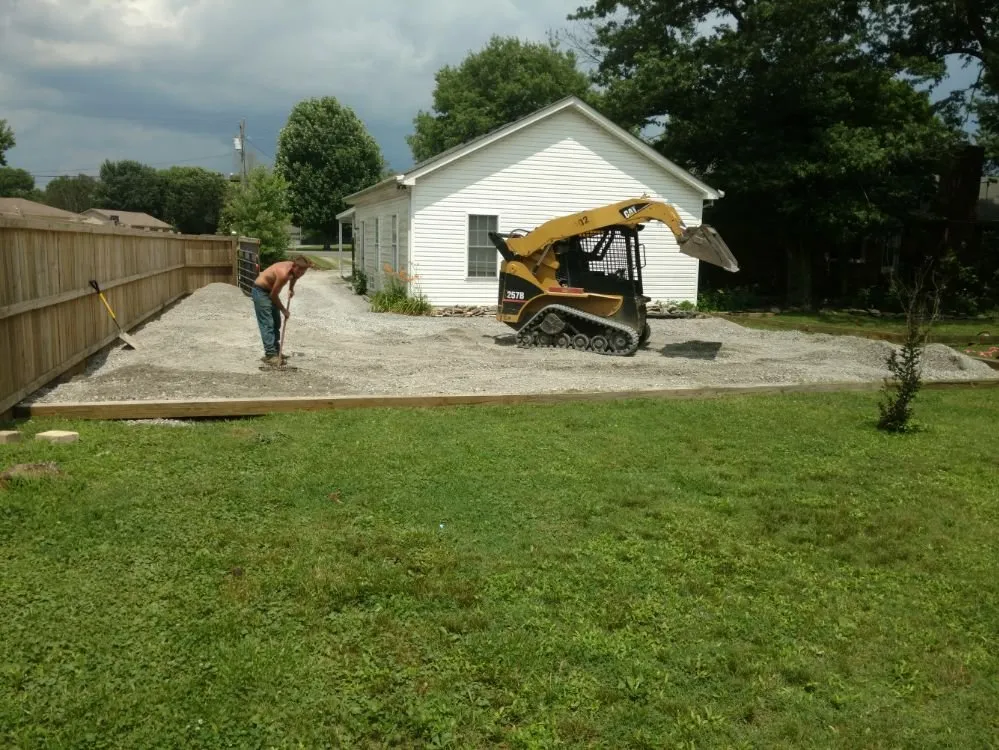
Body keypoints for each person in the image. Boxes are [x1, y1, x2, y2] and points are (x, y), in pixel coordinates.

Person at [251, 256, 312, 366]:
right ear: (294, 266)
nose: (301, 273)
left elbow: (294, 276)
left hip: (270, 292)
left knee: (276, 322)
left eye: (304, 272)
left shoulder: (295, 269)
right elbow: (274, 296)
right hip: (260, 291)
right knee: (267, 323)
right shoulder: (283, 274)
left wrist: (291, 288)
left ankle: (276, 351)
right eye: (300, 270)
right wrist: (284, 310)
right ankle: (270, 354)